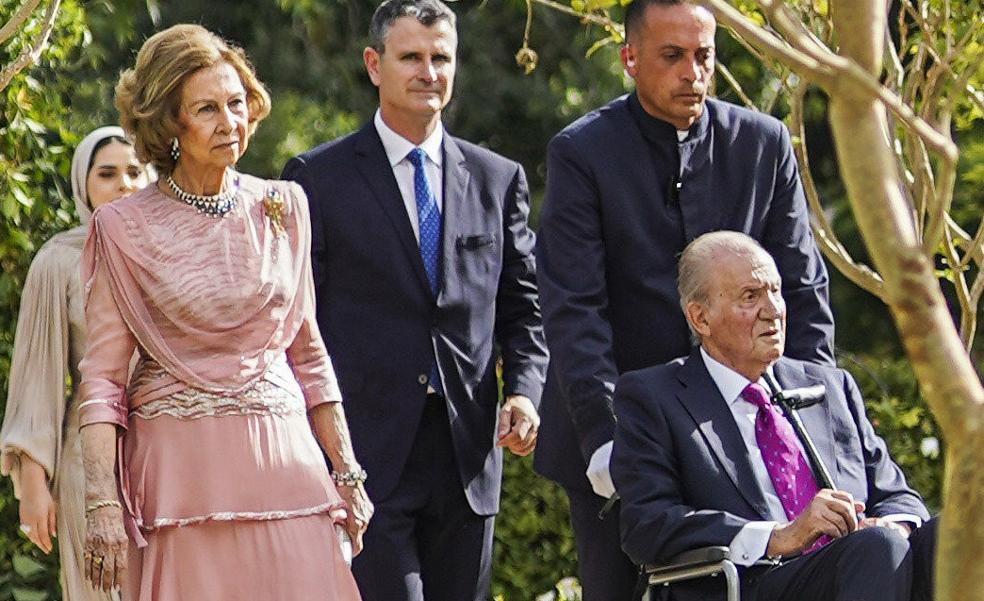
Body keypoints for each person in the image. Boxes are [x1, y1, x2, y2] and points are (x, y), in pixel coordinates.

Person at [533, 0, 836, 597]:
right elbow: (574, 307)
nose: (692, 72)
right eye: (672, 56)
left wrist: (816, 417)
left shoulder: (763, 143)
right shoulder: (582, 152)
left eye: (704, 56)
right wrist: (606, 438)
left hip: (748, 427)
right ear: (630, 59)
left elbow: (802, 288)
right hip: (621, 433)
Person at [77, 24, 368, 600]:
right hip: (183, 481)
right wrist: (102, 501)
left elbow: (308, 352)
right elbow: (103, 379)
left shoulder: (284, 205)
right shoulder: (122, 227)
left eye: (236, 104)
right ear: (168, 124)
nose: (230, 122)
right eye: (207, 109)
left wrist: (348, 473)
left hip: (288, 471)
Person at [282, 1, 548, 599]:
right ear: (374, 64)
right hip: (365, 452)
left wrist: (527, 395)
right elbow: (298, 324)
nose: (430, 72)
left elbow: (523, 311)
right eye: (412, 57)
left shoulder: (498, 179)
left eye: (441, 58)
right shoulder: (316, 180)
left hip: (467, 455)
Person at [611, 231, 936, 601]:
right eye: (751, 296)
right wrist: (779, 536)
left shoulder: (829, 386)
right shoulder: (654, 397)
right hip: (756, 582)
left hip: (861, 566)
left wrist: (894, 526)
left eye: (776, 291)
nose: (773, 310)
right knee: (875, 548)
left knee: (953, 534)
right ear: (700, 318)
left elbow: (899, 496)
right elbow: (647, 526)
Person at [0, 126, 149, 601]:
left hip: (170, 452)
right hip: (89, 463)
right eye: (107, 174)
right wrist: (32, 479)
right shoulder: (59, 260)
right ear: (83, 183)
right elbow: (37, 373)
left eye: (134, 172)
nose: (124, 183)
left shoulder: (172, 251)